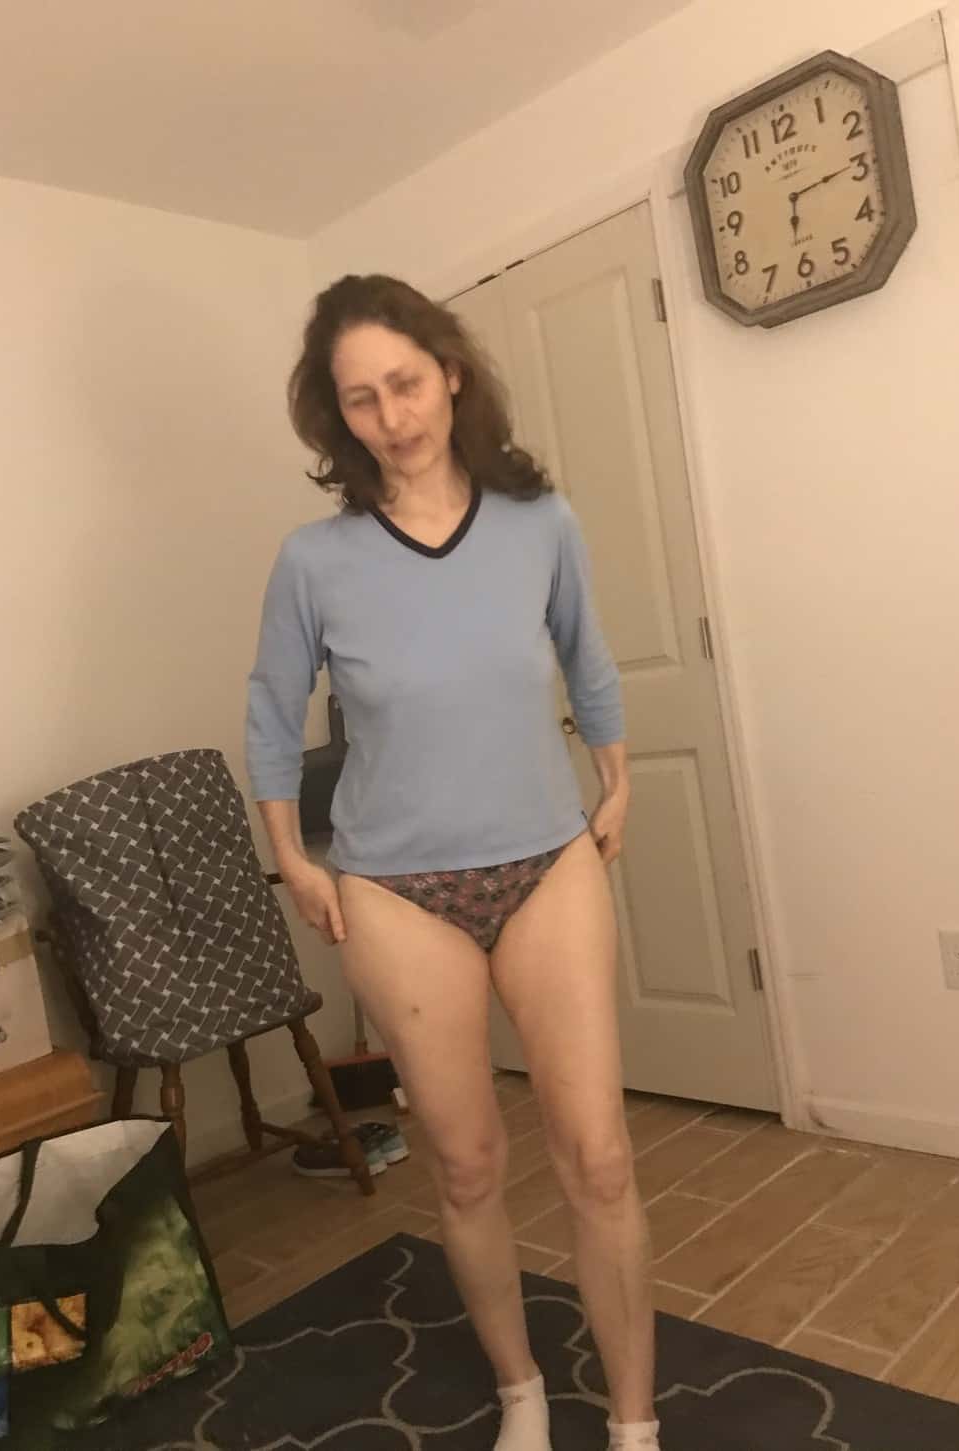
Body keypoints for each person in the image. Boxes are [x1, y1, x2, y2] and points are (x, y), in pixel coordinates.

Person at [246, 274, 660, 1451]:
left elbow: (586, 656)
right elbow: (272, 709)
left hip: (544, 863)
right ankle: (520, 1388)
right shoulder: (313, 560)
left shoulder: (540, 523)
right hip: (393, 889)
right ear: (336, 415)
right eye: (361, 397)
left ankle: (633, 1420)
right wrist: (292, 856)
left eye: (407, 383)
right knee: (468, 1165)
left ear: (451, 375)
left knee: (598, 1156)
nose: (392, 415)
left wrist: (618, 776)